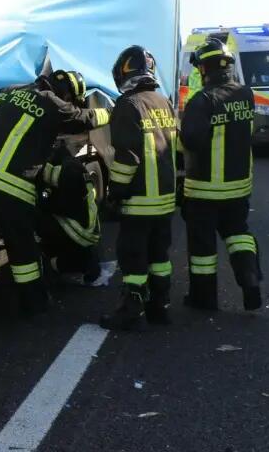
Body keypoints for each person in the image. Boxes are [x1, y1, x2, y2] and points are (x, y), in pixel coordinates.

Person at [0, 70, 109, 316]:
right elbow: (83, 119)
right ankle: (33, 303)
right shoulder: (50, 102)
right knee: (21, 246)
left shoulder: (7, 91)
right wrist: (111, 112)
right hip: (9, 184)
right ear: (66, 94)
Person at [179, 37, 262, 311]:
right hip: (238, 187)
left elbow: (191, 141)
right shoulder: (245, 94)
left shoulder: (202, 101)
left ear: (204, 69)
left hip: (204, 190)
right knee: (238, 234)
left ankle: (204, 300)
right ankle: (250, 281)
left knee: (203, 248)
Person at [100, 46, 178, 330]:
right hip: (165, 200)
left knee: (133, 257)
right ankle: (161, 307)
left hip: (140, 200)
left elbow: (126, 158)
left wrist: (114, 192)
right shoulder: (163, 101)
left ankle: (131, 312)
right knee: (160, 257)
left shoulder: (128, 104)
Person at [35, 148, 103, 284]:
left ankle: (62, 264)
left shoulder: (67, 173)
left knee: (37, 219)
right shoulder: (73, 167)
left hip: (79, 230)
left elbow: (63, 206)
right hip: (87, 228)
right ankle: (84, 260)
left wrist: (42, 202)